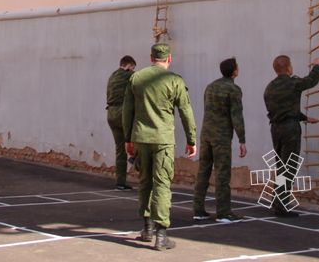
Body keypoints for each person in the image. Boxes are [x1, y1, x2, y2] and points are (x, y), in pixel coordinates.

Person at [122, 43, 197, 251]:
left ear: (151, 57)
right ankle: (161, 234)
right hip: (163, 139)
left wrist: (127, 138)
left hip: (140, 138)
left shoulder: (136, 78)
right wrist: (192, 139)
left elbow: (127, 111)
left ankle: (147, 228)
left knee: (145, 181)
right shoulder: (174, 81)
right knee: (162, 184)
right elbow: (185, 111)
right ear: (169, 59)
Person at [263, 55, 319, 217]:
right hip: (290, 129)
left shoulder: (270, 87)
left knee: (281, 166)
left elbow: (282, 110)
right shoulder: (293, 83)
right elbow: (311, 81)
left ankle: (278, 199)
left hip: (276, 129)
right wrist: (316, 65)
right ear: (289, 68)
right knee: (289, 167)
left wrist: (304, 118)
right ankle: (281, 205)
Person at [193, 57, 247, 223]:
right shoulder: (233, 89)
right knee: (222, 173)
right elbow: (236, 116)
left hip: (206, 133)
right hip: (221, 136)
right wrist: (242, 139)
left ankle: (198, 209)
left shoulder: (210, 87)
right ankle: (223, 212)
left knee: (203, 171)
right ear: (234, 71)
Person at [106, 55, 137, 190]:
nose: (133, 70)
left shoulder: (112, 76)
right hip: (122, 113)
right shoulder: (128, 76)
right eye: (132, 68)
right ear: (129, 66)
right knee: (138, 138)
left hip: (111, 114)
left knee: (120, 149)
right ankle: (136, 159)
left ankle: (120, 182)